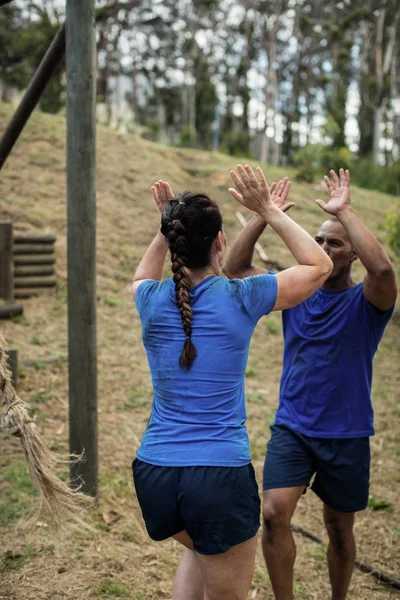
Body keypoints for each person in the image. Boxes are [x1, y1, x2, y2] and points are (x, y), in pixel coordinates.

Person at [131, 165, 332, 600]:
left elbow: (142, 275)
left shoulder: (148, 299)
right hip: (218, 477)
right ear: (220, 241)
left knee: (201, 551)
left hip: (155, 475)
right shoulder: (242, 295)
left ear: (172, 243)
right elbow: (319, 266)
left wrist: (166, 222)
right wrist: (267, 210)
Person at [223, 168, 397, 600]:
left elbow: (383, 270)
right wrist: (265, 213)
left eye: (333, 242)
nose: (321, 248)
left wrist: (346, 212)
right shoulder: (295, 290)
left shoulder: (367, 300)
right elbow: (234, 269)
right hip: (293, 428)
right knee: (273, 514)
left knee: (339, 530)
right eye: (318, 240)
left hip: (347, 433)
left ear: (352, 253)